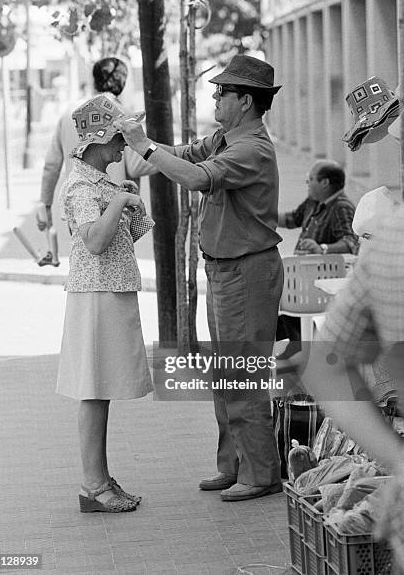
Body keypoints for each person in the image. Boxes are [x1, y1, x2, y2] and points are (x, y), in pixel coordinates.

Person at [119, 54, 284, 502]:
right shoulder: (226, 138)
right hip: (226, 269)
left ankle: (261, 473)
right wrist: (141, 143)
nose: (215, 96)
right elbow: (181, 157)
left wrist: (144, 147)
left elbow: (194, 178)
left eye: (222, 92)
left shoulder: (251, 148)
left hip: (247, 271)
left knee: (241, 374)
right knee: (226, 374)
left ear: (245, 101)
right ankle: (234, 466)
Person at [300, 75, 404, 569]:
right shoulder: (382, 227)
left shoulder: (390, 235)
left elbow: (326, 368)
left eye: (380, 137)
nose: (371, 153)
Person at [56, 93, 154, 513]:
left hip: (108, 293)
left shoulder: (100, 182)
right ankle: (94, 485)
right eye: (117, 138)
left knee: (102, 391)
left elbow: (125, 239)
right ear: (97, 140)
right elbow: (95, 242)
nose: (122, 147)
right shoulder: (80, 185)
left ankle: (100, 478)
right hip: (95, 296)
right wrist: (119, 201)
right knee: (94, 392)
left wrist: (123, 199)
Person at [37, 56, 157, 230]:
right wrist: (170, 157)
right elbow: (136, 166)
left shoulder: (71, 112)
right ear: (123, 83)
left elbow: (51, 164)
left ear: (94, 81)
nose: (122, 145)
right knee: (112, 253)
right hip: (115, 213)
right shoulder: (124, 116)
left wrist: (45, 204)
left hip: (79, 207)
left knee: (81, 252)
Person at [276, 160, 359, 356]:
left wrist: (322, 248)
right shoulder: (313, 202)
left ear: (325, 183)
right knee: (275, 296)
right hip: (298, 277)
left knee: (283, 296)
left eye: (311, 179)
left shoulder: (341, 207)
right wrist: (259, 213)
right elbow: (291, 219)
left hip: (317, 281)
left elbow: (351, 243)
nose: (307, 182)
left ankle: (306, 346)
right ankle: (303, 344)